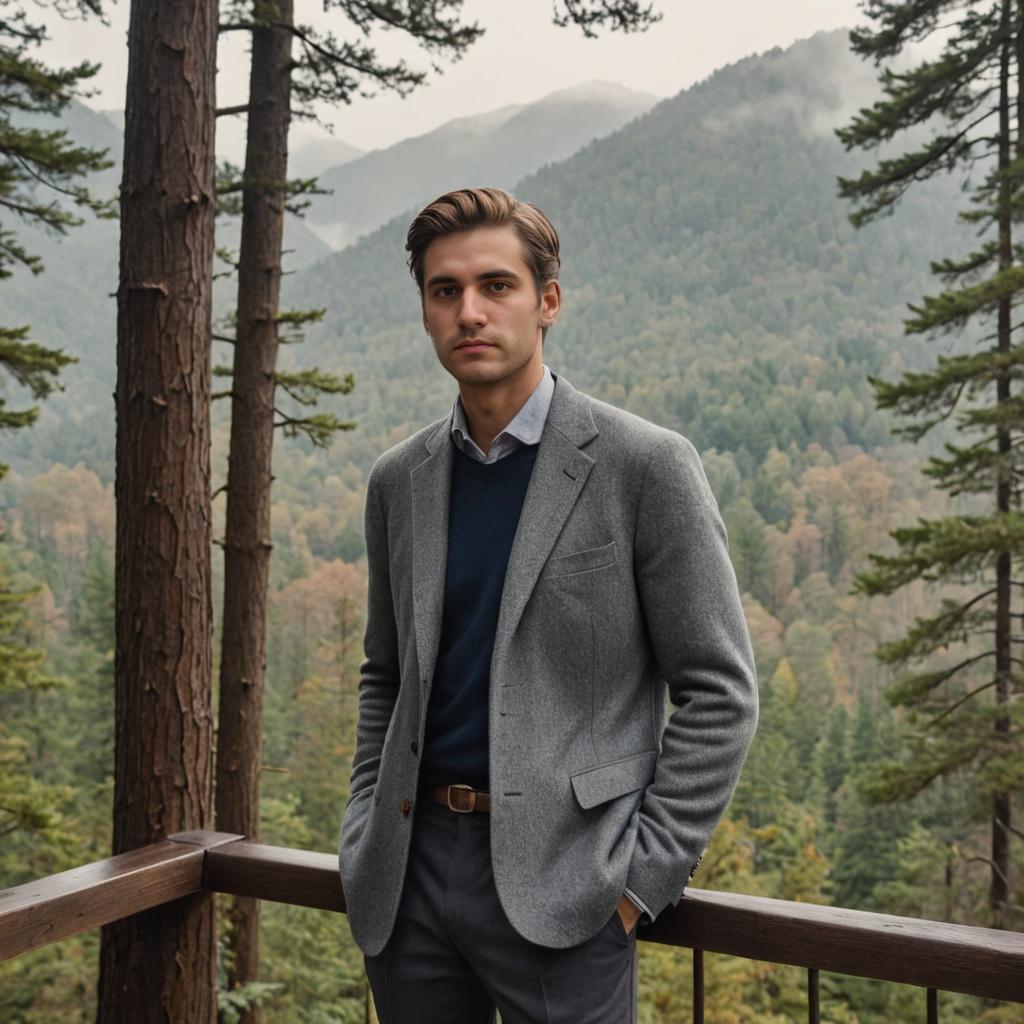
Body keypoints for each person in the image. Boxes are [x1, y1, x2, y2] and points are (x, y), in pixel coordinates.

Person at [338, 186, 758, 1024]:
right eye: (445, 290)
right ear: (424, 310)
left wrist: (638, 885)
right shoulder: (399, 482)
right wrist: (364, 836)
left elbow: (720, 692)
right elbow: (385, 675)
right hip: (408, 885)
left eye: (498, 286)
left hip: (569, 891)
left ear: (548, 303)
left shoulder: (646, 467)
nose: (470, 311)